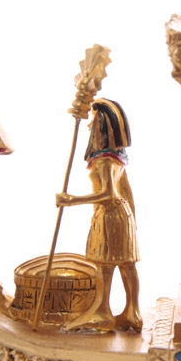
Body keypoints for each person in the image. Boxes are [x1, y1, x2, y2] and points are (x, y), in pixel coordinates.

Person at [56, 99, 142, 333]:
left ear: (101, 126)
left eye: (92, 120)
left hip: (110, 214)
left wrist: (71, 200)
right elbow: (126, 190)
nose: (88, 126)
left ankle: (102, 312)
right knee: (126, 264)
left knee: (104, 265)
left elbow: (108, 193)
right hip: (122, 213)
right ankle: (133, 312)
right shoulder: (117, 158)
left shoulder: (104, 160)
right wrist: (132, 218)